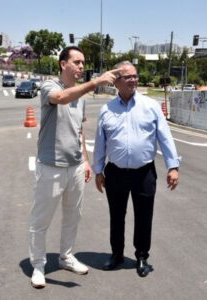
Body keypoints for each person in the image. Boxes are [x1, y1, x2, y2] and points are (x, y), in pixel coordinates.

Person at [29, 46, 120, 289]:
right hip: (51, 166)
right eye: (77, 62)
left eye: (83, 63)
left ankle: (66, 256)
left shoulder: (80, 97)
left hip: (75, 166)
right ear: (63, 64)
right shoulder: (50, 86)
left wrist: (86, 161)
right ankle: (38, 265)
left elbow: (79, 130)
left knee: (73, 216)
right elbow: (60, 98)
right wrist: (94, 83)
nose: (81, 67)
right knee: (41, 220)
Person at [93, 61, 180, 278]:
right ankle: (117, 254)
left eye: (135, 76)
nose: (134, 80)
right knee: (116, 216)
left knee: (144, 216)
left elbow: (165, 137)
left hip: (144, 173)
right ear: (116, 81)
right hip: (115, 172)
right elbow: (100, 143)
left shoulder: (150, 106)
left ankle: (142, 256)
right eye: (128, 77)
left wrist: (173, 166)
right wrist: (98, 170)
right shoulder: (106, 110)